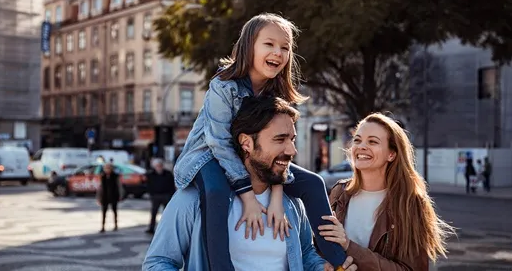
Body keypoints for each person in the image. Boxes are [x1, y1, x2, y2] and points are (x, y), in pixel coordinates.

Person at [172, 13, 346, 269]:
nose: (278, 52)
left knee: (313, 182)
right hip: (208, 158)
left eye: (285, 47)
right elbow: (219, 142)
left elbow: (279, 154)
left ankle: (340, 261)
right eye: (269, 44)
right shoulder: (223, 85)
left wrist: (277, 196)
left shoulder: (276, 92)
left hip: (253, 159)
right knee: (217, 191)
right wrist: (249, 198)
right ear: (248, 46)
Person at [143, 96, 357, 271]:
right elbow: (157, 263)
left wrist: (321, 267)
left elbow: (305, 252)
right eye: (280, 139)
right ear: (246, 143)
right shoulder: (195, 200)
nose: (292, 150)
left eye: (292, 139)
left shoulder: (292, 203)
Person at [321, 113, 455, 270]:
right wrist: (323, 265)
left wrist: (349, 247)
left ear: (391, 154)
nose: (361, 146)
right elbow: (318, 248)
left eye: (373, 141)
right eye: (357, 140)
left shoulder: (410, 203)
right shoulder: (339, 192)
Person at [145, 158, 175, 234]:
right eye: (157, 166)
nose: (159, 167)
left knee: (167, 213)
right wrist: (151, 194)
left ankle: (168, 228)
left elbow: (172, 185)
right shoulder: (151, 175)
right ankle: (151, 228)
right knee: (154, 212)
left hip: (166, 195)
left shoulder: (168, 174)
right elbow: (148, 185)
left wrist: (171, 195)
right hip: (156, 196)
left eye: (160, 166)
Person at [96, 163, 123, 233]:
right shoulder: (103, 176)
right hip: (104, 197)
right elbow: (100, 188)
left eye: (108, 168)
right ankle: (103, 227)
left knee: (114, 211)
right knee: (104, 212)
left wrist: (120, 195)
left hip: (113, 196)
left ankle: (116, 225)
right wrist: (99, 197)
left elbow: (119, 186)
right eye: (106, 168)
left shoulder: (115, 176)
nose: (107, 170)